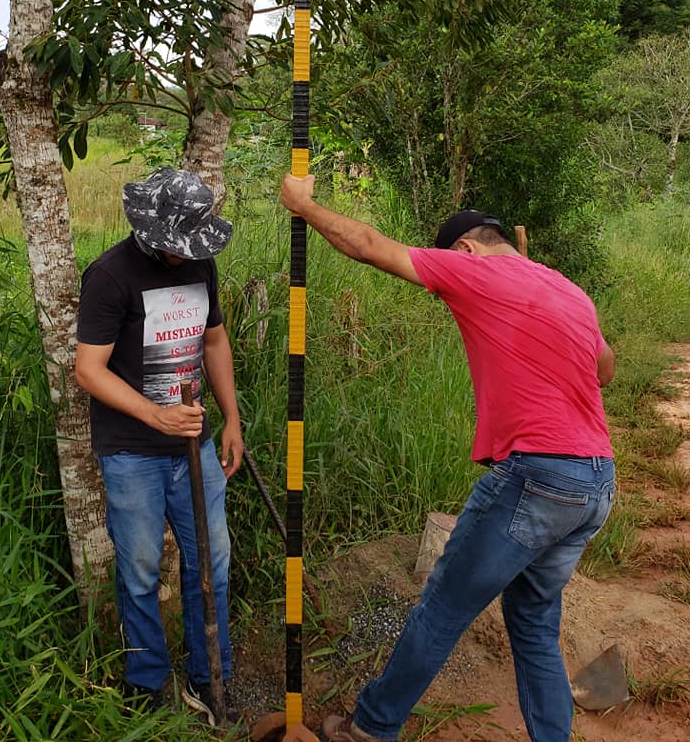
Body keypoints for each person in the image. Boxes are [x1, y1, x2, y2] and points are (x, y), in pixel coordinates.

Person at [280, 175, 616, 742]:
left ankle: (370, 728)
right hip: (595, 482)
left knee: (442, 608)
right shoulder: (567, 288)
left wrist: (304, 204)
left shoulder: (474, 270)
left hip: (536, 476)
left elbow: (369, 245)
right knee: (535, 623)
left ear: (464, 248)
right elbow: (605, 370)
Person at [75, 167, 243, 722]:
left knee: (212, 562)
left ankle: (209, 677)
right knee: (142, 569)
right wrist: (156, 416)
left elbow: (213, 340)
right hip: (131, 452)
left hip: (193, 445)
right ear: (151, 232)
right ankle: (145, 683)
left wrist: (232, 420)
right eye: (178, 245)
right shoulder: (110, 276)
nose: (186, 255)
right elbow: (88, 370)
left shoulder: (200, 263)